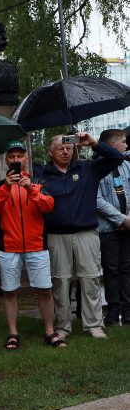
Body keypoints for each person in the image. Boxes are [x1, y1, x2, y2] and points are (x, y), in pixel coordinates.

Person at [40, 132, 123, 339]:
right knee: (61, 281)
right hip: (57, 235)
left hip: (86, 232)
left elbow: (117, 158)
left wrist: (94, 143)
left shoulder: (88, 168)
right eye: (60, 148)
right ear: (51, 153)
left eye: (69, 147)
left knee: (91, 278)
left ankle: (93, 324)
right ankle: (63, 325)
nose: (66, 151)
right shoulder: (42, 174)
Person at [0, 141, 61, 349]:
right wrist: (6, 188)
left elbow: (49, 206)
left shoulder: (38, 182)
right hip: (9, 246)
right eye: (12, 157)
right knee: (9, 291)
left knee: (45, 290)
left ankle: (49, 331)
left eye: (20, 156)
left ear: (26, 159)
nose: (16, 160)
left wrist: (31, 190)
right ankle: (13, 333)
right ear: (6, 160)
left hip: (36, 245)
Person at [95, 128, 130, 326]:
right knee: (111, 269)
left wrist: (129, 218)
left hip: (128, 227)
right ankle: (113, 309)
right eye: (123, 142)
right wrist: (120, 219)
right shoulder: (97, 167)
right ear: (112, 145)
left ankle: (127, 310)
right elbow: (97, 200)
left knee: (126, 268)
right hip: (108, 228)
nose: (126, 145)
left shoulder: (126, 166)